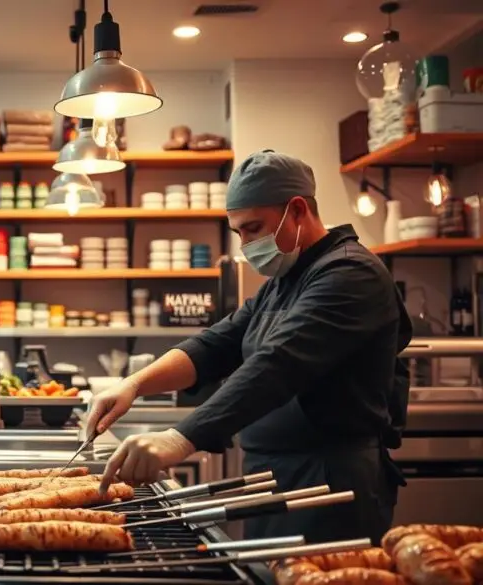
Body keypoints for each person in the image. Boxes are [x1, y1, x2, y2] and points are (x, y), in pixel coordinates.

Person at [88, 150, 412, 544]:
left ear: (297, 210)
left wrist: (178, 439)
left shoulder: (350, 274)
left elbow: (277, 365)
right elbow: (217, 344)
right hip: (273, 474)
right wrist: (134, 384)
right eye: (238, 232)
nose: (245, 244)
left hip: (329, 481)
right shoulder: (287, 280)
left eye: (253, 228)